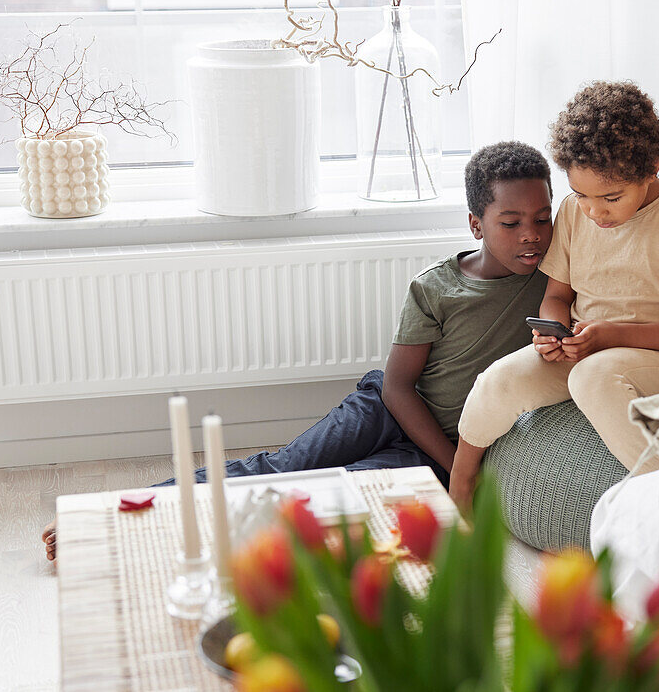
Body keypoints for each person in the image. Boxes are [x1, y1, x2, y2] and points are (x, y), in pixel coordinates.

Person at [42, 141, 554, 560]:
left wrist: (452, 463)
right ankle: (114, 512)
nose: (530, 235)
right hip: (390, 409)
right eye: (510, 223)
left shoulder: (557, 279)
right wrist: (458, 467)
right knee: (281, 469)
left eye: (542, 218)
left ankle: (177, 536)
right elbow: (399, 387)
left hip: (442, 447)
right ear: (475, 224)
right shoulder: (436, 289)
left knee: (319, 497)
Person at [448, 81, 659, 512]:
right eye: (581, 195)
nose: (594, 211)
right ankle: (459, 489)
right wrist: (553, 332)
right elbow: (557, 295)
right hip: (582, 344)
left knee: (593, 377)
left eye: (611, 197)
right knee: (497, 381)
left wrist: (611, 335)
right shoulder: (571, 213)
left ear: (652, 166)